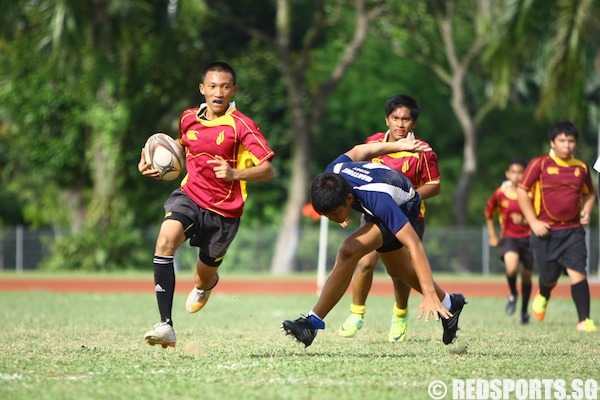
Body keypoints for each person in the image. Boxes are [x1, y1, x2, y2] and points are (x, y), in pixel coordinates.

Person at [138, 61, 275, 348]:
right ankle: (166, 326)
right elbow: (181, 147)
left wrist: (235, 173)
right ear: (202, 88)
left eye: (225, 86)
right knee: (165, 242)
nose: (218, 92)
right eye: (212, 86)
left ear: (233, 90)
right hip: (189, 197)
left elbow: (268, 169)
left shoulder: (242, 125)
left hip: (225, 213)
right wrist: (154, 162)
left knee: (202, 277)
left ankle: (207, 284)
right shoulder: (188, 117)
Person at [281, 139, 466, 348]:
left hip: (404, 204)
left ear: (349, 199)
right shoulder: (334, 171)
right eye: (325, 214)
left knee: (348, 251)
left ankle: (311, 323)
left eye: (333, 213)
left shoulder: (379, 200)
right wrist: (398, 146)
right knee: (399, 271)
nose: (330, 217)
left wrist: (430, 295)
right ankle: (451, 303)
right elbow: (362, 149)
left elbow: (414, 244)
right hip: (376, 201)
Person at [339, 95, 441, 343]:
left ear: (413, 123)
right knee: (364, 263)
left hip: (408, 218)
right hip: (374, 215)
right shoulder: (373, 143)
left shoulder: (423, 151)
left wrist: (410, 196)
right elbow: (354, 174)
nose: (400, 124)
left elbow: (435, 186)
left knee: (400, 272)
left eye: (406, 119)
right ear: (387, 119)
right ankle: (356, 313)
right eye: (395, 118)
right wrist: (342, 209)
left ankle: (400, 313)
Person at [517, 121, 597, 332]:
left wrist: (587, 210)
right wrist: (533, 222)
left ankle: (584, 320)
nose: (567, 145)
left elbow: (590, 193)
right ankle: (543, 294)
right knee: (549, 277)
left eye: (571, 141)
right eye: (562, 141)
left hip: (573, 232)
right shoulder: (539, 164)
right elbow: (522, 191)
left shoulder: (581, 167)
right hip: (545, 233)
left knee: (578, 272)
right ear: (552, 142)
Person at [484, 158, 533, 324]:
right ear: (508, 174)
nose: (517, 176)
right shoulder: (500, 193)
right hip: (509, 238)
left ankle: (525, 311)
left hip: (530, 238)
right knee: (511, 269)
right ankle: (513, 293)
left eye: (521, 172)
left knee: (526, 277)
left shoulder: (532, 192)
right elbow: (488, 213)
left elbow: (540, 214)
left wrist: (526, 221)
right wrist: (492, 235)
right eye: (514, 172)